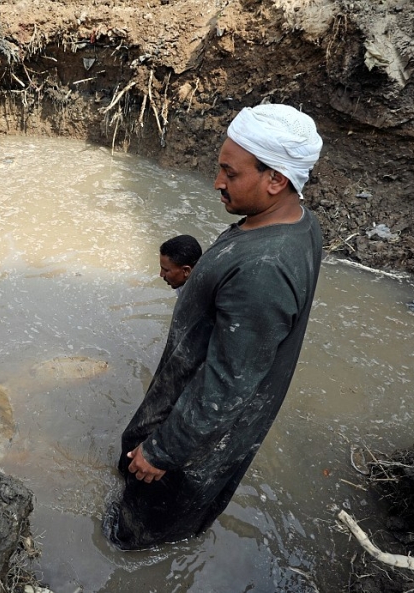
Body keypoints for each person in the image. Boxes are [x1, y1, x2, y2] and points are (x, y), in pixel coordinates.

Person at [103, 103, 324, 551]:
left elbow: (228, 384)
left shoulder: (265, 268)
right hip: (184, 413)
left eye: (230, 173)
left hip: (193, 447)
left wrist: (163, 450)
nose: (218, 182)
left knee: (133, 538)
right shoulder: (290, 223)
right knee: (132, 482)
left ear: (276, 179)